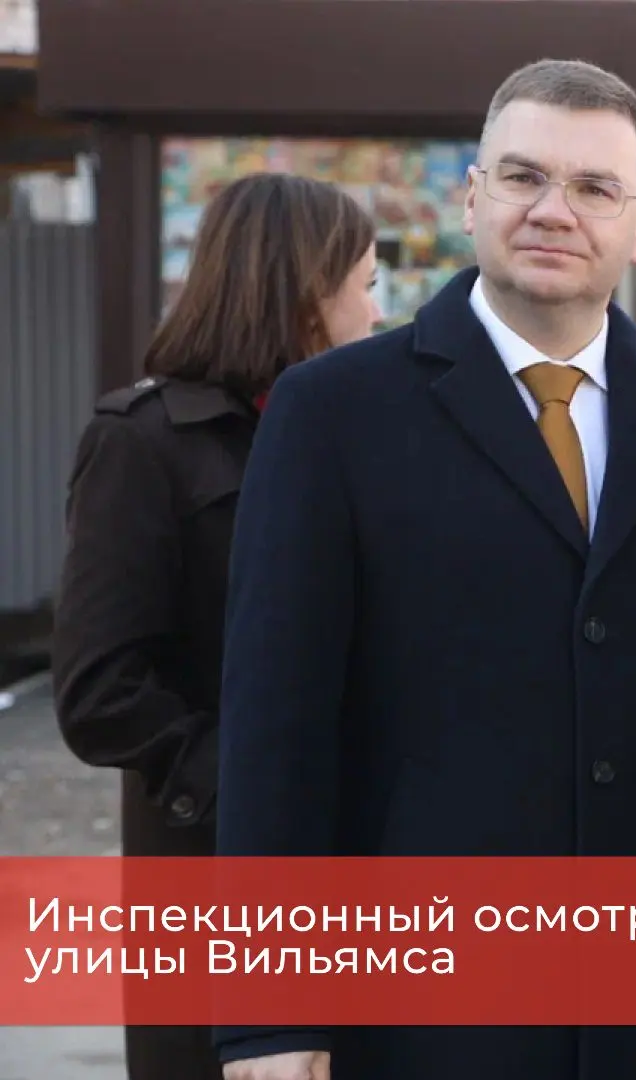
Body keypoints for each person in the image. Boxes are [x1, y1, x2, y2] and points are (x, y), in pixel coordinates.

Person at [213, 59, 636, 1080]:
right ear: (472, 199)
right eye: (523, 177)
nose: (554, 210)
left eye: (595, 188)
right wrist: (271, 1014)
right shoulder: (333, 413)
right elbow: (277, 727)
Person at [48, 172, 379, 1080]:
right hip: (213, 879)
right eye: (365, 284)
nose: (376, 312)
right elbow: (101, 690)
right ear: (306, 293)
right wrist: (260, 793)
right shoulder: (142, 440)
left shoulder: (359, 437)